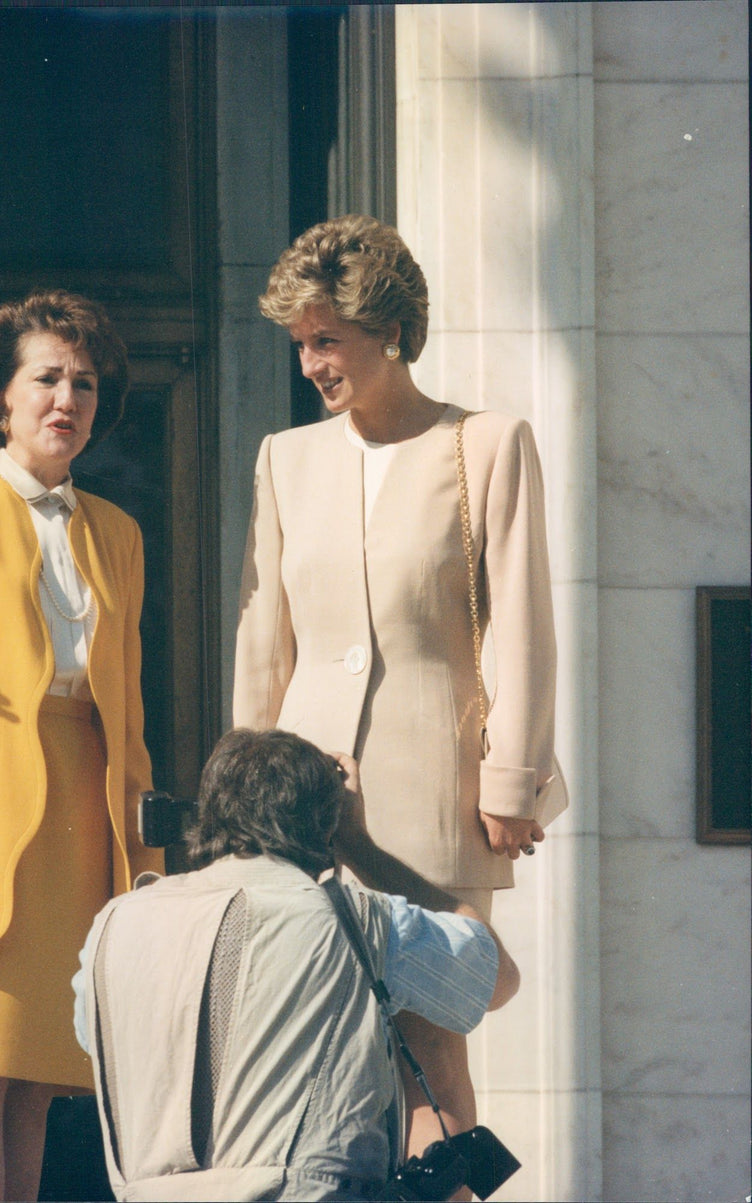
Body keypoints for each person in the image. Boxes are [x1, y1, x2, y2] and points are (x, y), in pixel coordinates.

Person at [233, 214, 567, 1156]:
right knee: (312, 1047)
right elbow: (266, 645)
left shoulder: (488, 444)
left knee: (431, 1048)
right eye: (300, 344)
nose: (309, 364)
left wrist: (509, 783)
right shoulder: (283, 459)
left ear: (388, 330)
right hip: (303, 804)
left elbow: (529, 632)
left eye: (325, 339)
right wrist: (243, 803)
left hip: (438, 798)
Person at [73, 727, 519, 1202]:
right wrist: (359, 845)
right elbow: (495, 979)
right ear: (326, 826)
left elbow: (90, 1037)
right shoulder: (355, 921)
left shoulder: (116, 922)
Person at [0, 291, 164, 1203]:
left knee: (39, 1082)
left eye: (83, 382)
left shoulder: (117, 532)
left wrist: (144, 862)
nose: (64, 399)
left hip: (82, 818)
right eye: (45, 378)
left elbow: (129, 710)